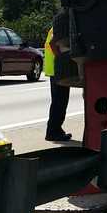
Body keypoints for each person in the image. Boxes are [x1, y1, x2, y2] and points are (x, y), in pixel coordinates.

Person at [45, 10, 72, 142]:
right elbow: (52, 44)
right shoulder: (59, 27)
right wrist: (62, 59)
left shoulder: (55, 27)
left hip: (54, 69)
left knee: (59, 101)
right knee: (59, 102)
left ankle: (56, 129)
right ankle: (53, 131)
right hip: (57, 69)